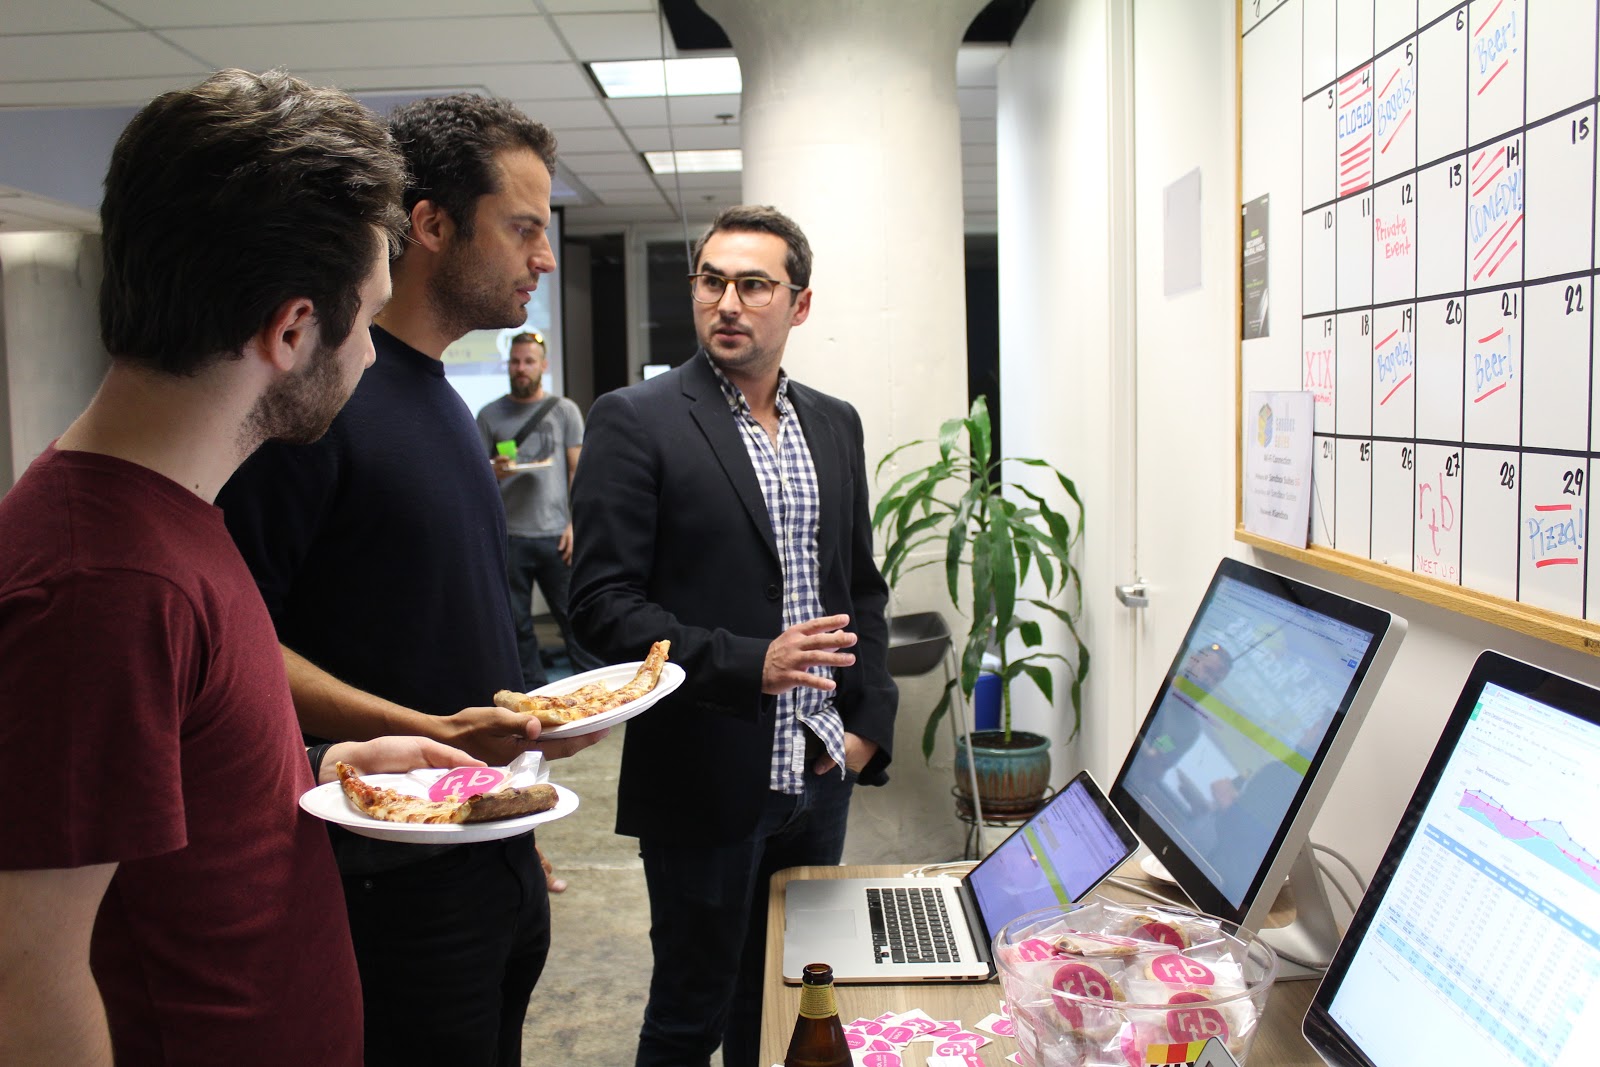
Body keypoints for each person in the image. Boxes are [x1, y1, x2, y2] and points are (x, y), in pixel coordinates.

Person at [0, 68, 483, 1065]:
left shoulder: (170, 516)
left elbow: (158, 810)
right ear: (293, 330)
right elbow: (24, 978)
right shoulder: (105, 585)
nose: (368, 357)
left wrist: (321, 770)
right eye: (368, 321)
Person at [217, 93, 603, 1067]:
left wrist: (505, 786)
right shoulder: (317, 403)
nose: (544, 256)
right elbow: (237, 643)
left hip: (485, 847)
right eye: (523, 228)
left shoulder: (443, 401)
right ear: (430, 224)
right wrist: (432, 736)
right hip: (386, 875)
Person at [568, 204, 899, 1067]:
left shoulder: (835, 422)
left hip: (820, 770)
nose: (727, 303)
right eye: (712, 281)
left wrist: (867, 724)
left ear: (800, 303)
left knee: (787, 1008)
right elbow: (600, 605)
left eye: (754, 285)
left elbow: (860, 586)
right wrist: (754, 662)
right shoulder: (634, 418)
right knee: (692, 1011)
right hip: (703, 773)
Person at [477, 329, 593, 689]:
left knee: (573, 618)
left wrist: (575, 524)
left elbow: (578, 472)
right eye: (515, 361)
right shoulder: (490, 414)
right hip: (510, 535)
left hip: (557, 534)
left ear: (543, 366)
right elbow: (478, 476)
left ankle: (592, 691)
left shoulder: (564, 410)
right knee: (517, 624)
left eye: (529, 361)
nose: (521, 368)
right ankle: (536, 693)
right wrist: (493, 470)